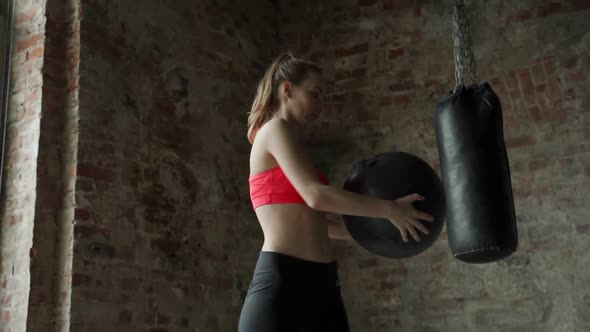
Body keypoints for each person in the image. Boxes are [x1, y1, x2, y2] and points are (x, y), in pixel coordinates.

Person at [237, 53, 434, 332]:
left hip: (324, 285)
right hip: (283, 285)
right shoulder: (274, 130)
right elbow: (316, 195)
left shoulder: (291, 141)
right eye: (314, 94)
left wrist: (381, 227)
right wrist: (390, 209)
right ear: (287, 90)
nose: (322, 104)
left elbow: (316, 221)